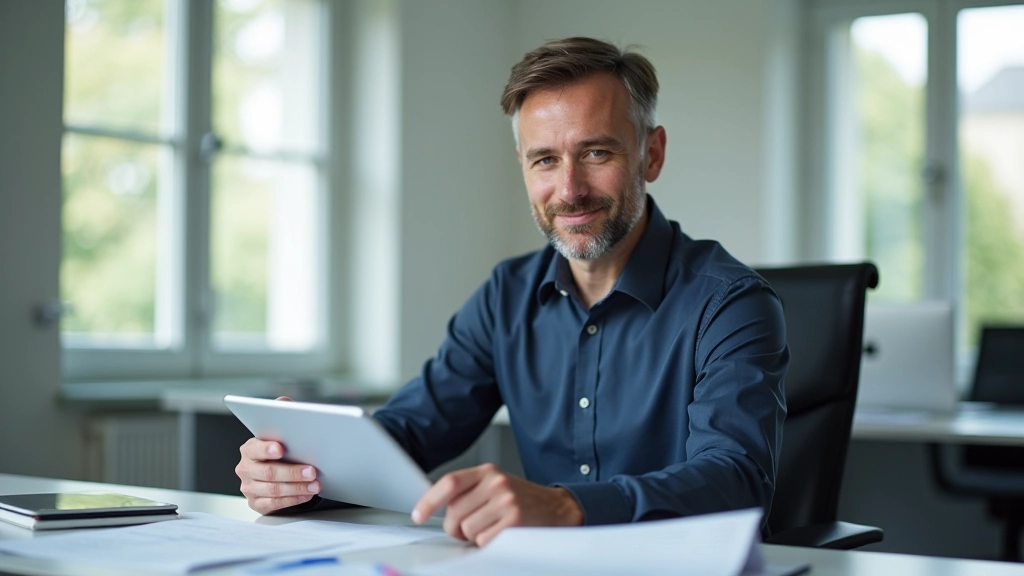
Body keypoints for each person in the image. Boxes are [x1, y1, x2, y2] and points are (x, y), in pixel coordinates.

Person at [235, 36, 788, 547]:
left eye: (597, 153)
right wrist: (303, 473)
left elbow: (735, 480)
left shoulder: (731, 303)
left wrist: (566, 507)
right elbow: (411, 429)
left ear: (652, 154)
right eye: (545, 159)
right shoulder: (508, 296)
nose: (569, 190)